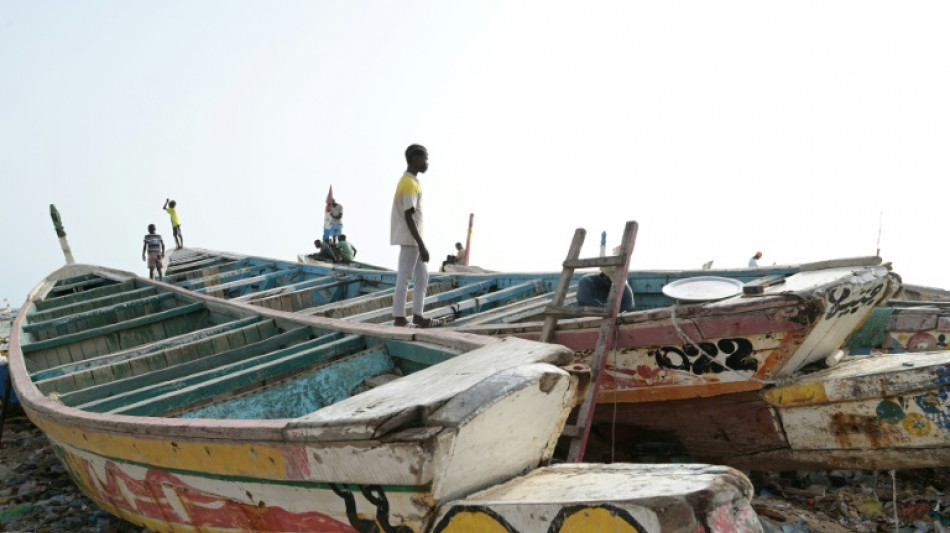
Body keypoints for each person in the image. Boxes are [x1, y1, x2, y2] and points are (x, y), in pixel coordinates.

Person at [391, 144, 437, 328]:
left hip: (414, 239)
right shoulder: (408, 183)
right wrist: (421, 244)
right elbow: (408, 215)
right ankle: (399, 318)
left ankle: (418, 315)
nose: (427, 163)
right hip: (410, 239)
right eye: (424, 158)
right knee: (404, 277)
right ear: (415, 159)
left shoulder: (411, 182)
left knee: (422, 276)